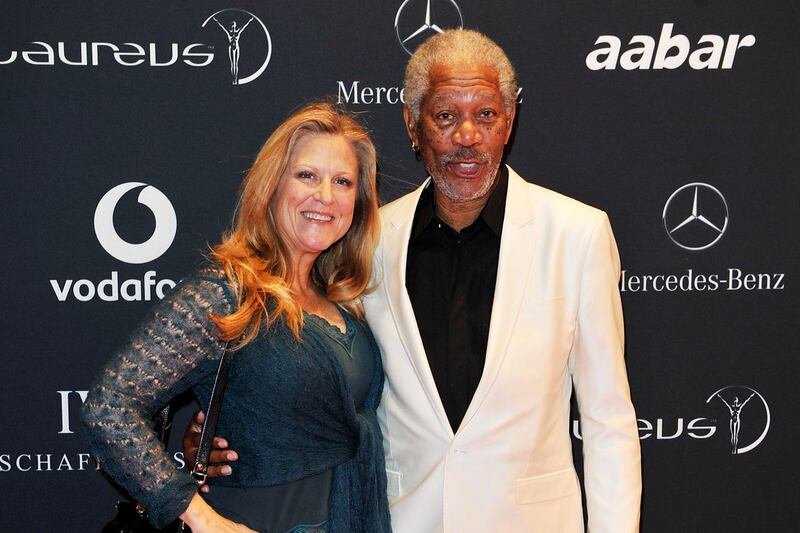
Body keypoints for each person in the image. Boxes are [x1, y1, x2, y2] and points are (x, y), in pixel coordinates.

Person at [188, 29, 642, 532]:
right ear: (412, 124)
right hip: (401, 521)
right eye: (446, 116)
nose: (467, 136)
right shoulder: (365, 242)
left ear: (508, 122)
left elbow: (608, 422)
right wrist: (224, 433)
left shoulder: (578, 234)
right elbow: (316, 371)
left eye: (486, 115)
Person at [82, 102, 391, 533]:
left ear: (357, 203)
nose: (325, 195)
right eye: (307, 175)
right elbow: (109, 406)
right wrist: (203, 519)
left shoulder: (344, 303)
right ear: (273, 186)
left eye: (342, 182)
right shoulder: (227, 294)